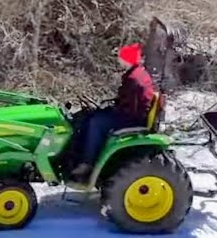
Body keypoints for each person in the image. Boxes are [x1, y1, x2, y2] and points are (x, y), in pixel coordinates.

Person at [67, 43, 157, 180]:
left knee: (95, 123)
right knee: (90, 116)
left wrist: (113, 109)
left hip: (132, 119)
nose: (118, 59)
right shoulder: (136, 73)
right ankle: (81, 156)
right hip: (131, 114)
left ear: (128, 59)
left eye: (121, 57)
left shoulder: (134, 79)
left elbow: (132, 107)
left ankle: (87, 162)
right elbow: (127, 100)